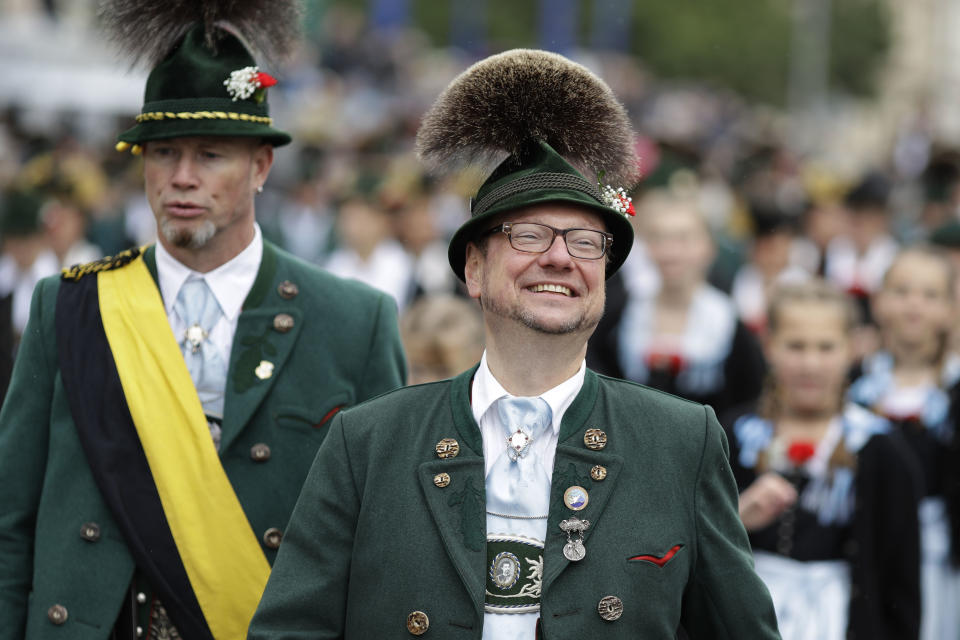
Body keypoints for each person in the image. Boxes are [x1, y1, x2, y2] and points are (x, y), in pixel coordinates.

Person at [248, 49, 779, 639]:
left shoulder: (682, 441)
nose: (558, 256)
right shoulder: (366, 442)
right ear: (473, 269)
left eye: (584, 240)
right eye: (527, 234)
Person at [0, 3, 406, 639]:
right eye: (163, 153)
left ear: (261, 166)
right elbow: (10, 521)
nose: (181, 179)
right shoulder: (69, 306)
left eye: (211, 154)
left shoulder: (354, 321)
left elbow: (385, 541)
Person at [724, 279, 921, 639]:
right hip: (749, 615)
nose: (810, 364)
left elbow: (900, 574)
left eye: (826, 347)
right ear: (769, 346)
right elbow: (692, 546)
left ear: (853, 349)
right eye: (796, 346)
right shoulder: (735, 436)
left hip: (840, 618)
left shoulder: (879, 449)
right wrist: (738, 517)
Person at [847, 246, 960, 640]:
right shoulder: (856, 382)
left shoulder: (953, 389)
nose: (914, 304)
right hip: (870, 543)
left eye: (930, 295)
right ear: (878, 302)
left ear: (949, 308)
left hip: (939, 553)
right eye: (901, 290)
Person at [603, 189, 766, 416]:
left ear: (709, 247)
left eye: (683, 239)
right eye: (658, 238)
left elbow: (746, 400)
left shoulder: (728, 321)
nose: (670, 252)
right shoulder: (621, 312)